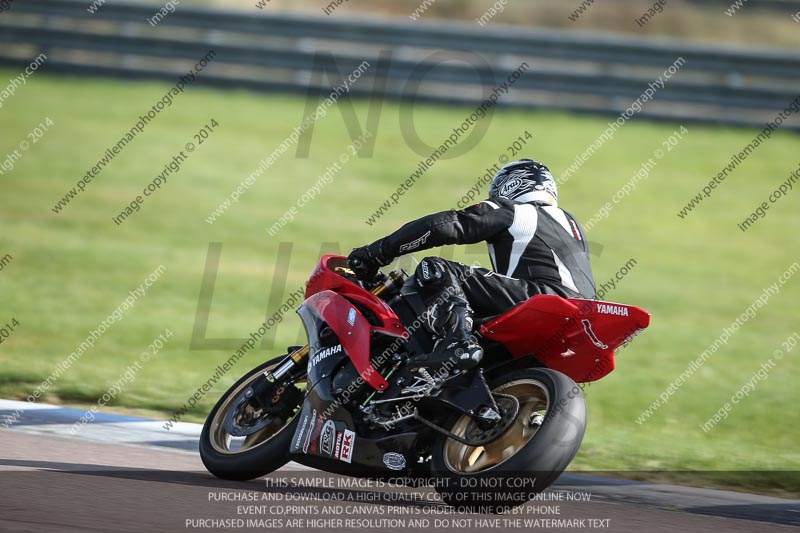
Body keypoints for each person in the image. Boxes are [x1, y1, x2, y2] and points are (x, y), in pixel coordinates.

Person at [348, 158, 596, 373]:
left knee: (435, 268)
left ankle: (458, 343)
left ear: (510, 185)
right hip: (584, 316)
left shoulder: (518, 210)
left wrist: (378, 252)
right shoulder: (573, 226)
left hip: (543, 298)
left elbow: (445, 226)